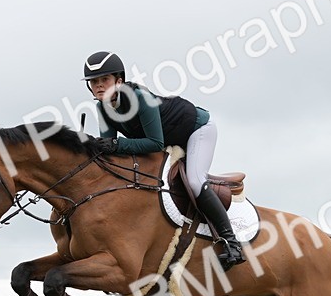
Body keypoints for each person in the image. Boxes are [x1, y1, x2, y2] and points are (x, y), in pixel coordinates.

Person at [83, 50, 245, 271]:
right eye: (94, 82)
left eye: (105, 79)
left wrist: (116, 145)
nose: (99, 85)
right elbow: (109, 149)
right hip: (170, 137)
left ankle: (232, 243)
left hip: (196, 130)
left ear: (119, 81)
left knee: (195, 181)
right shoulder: (102, 107)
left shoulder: (140, 98)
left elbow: (154, 143)